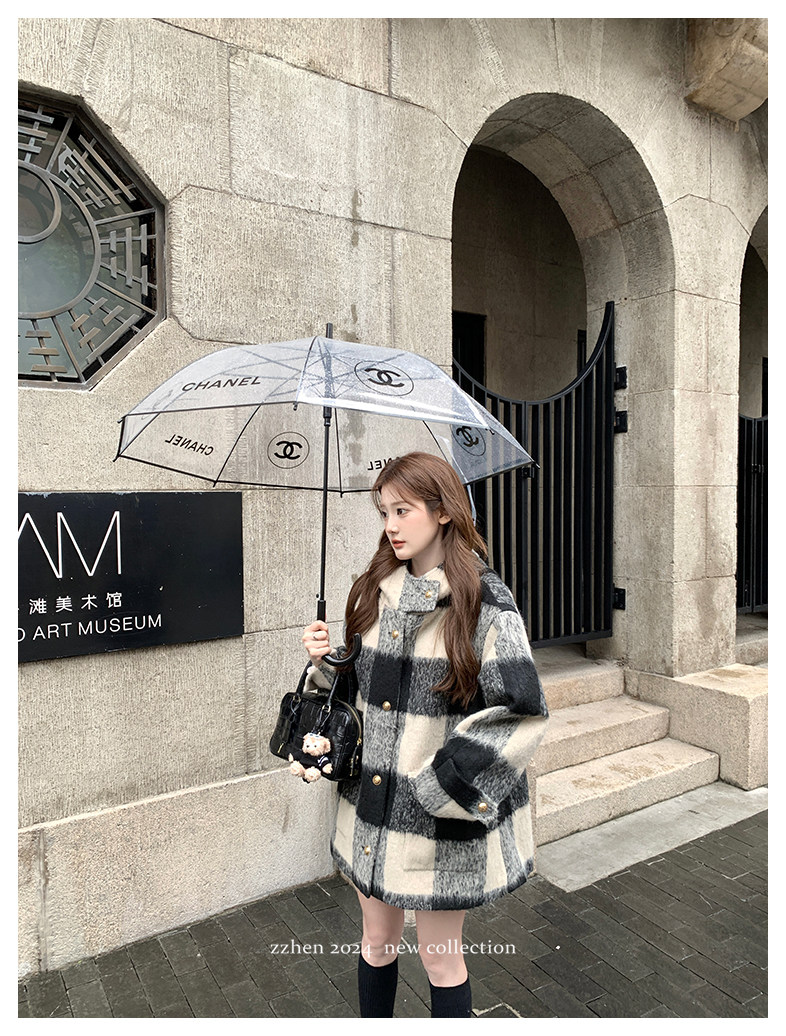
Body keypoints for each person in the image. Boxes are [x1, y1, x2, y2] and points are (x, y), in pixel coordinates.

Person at [299, 452, 548, 1018]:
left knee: (440, 959)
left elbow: (521, 711)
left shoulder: (484, 603)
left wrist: (441, 788)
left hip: (441, 818)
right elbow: (355, 692)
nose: (390, 525)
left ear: (443, 511)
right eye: (383, 511)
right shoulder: (373, 591)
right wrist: (325, 663)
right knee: (376, 941)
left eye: (403, 510)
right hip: (369, 806)